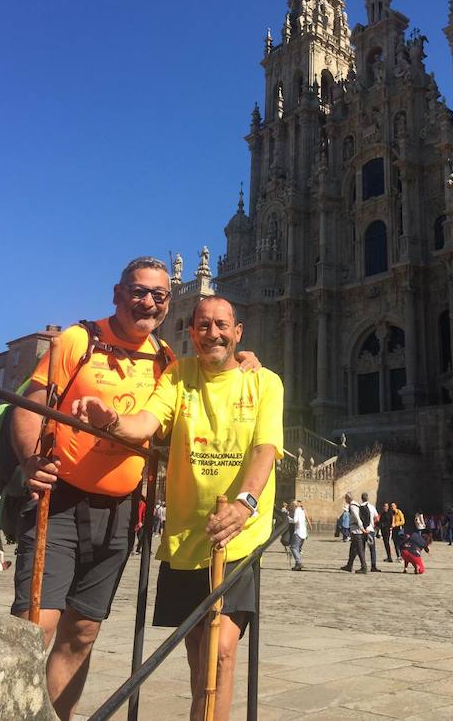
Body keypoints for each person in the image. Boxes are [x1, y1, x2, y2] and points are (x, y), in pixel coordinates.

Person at [10, 258, 257, 721]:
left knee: (82, 632)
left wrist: (244, 363)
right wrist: (29, 460)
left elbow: (181, 401)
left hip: (122, 510)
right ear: (118, 293)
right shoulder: (78, 340)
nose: (148, 302)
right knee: (34, 628)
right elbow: (31, 402)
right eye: (138, 292)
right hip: (59, 498)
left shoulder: (166, 359)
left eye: (159, 296)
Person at [73, 295, 282, 721]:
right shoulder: (176, 377)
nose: (213, 334)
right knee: (197, 656)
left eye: (222, 325)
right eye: (203, 326)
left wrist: (245, 504)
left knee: (220, 650)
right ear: (191, 332)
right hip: (187, 536)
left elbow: (265, 450)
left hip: (240, 534)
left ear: (238, 331)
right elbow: (145, 424)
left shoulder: (265, 382)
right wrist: (110, 421)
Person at [340, 492, 367, 573]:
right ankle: (349, 565)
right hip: (355, 530)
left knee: (359, 549)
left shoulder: (352, 506)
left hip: (357, 531)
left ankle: (364, 567)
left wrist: (362, 528)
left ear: (348, 498)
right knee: (353, 549)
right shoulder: (356, 505)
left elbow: (357, 518)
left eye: (346, 498)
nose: (345, 500)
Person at [360, 492, 381, 572]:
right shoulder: (372, 507)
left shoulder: (359, 507)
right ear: (367, 498)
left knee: (362, 549)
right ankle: (373, 566)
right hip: (370, 531)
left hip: (362, 531)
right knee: (372, 549)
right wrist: (373, 526)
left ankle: (363, 565)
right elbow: (377, 518)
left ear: (362, 498)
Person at [289, 500, 307, 570]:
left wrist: (288, 519)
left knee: (293, 547)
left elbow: (295, 521)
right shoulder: (302, 510)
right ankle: (297, 565)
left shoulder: (297, 510)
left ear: (294, 506)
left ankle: (298, 562)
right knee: (297, 549)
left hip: (298, 532)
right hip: (303, 532)